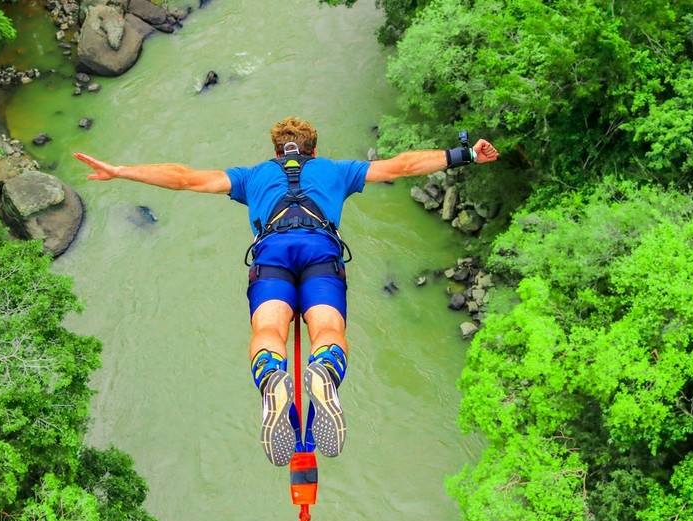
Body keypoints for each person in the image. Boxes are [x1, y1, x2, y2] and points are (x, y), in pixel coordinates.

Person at [74, 117, 499, 467]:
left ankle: (271, 378)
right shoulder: (336, 170)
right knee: (328, 327)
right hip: (320, 253)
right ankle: (325, 373)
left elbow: (184, 178)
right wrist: (462, 154)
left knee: (269, 331)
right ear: (314, 148)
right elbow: (401, 166)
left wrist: (120, 170)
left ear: (276, 151)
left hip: (272, 255)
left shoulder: (251, 176)